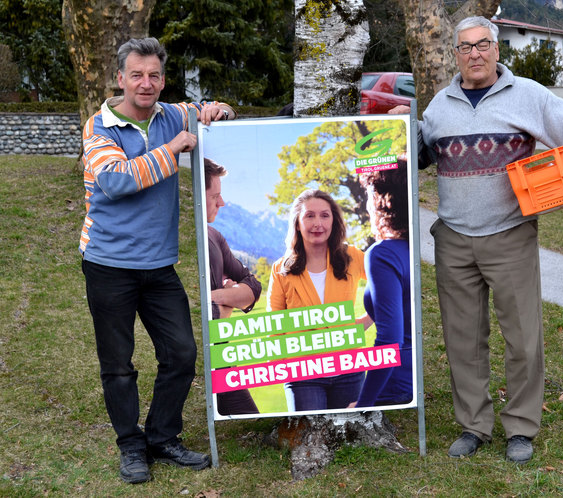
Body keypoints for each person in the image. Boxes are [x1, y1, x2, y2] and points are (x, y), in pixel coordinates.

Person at [393, 16, 563, 463]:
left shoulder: (527, 94)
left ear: (496, 49)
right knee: (462, 340)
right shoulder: (440, 104)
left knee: (523, 337)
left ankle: (521, 428)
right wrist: (401, 129)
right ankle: (474, 426)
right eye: (465, 47)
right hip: (453, 237)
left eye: (482, 45)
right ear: (455, 54)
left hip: (510, 234)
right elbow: (420, 158)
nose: (474, 54)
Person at [79, 37, 236, 484]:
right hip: (108, 263)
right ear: (120, 79)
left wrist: (217, 113)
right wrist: (172, 151)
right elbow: (116, 180)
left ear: (162, 80)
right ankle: (131, 447)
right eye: (136, 75)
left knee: (182, 354)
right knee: (118, 364)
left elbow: (220, 108)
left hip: (158, 264)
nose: (145, 84)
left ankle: (163, 438)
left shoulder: (172, 115)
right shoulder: (100, 126)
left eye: (153, 76)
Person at [266, 189, 371, 411]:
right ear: (297, 223)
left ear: (334, 221)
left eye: (325, 215)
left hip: (349, 367)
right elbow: (274, 325)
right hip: (303, 371)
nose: (318, 223)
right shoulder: (280, 269)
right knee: (312, 436)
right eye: (309, 215)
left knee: (352, 436)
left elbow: (387, 285)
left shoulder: (351, 256)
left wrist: (366, 321)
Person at [203, 158, 261, 416]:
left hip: (222, 354)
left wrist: (221, 299)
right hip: (196, 355)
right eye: (215, 196)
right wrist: (222, 308)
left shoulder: (214, 236)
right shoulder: (180, 239)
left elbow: (253, 286)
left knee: (250, 419)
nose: (222, 203)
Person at [354, 159, 413, 408]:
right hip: (413, 377)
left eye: (368, 196)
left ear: (381, 202)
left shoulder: (382, 253)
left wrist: (363, 405)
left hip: (395, 383)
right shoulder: (414, 246)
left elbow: (390, 340)